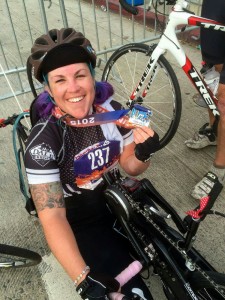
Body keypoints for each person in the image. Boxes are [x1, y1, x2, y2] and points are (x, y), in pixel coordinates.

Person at [24, 27, 160, 299]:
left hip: (113, 193)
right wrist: (82, 280)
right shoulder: (42, 142)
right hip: (77, 214)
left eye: (80, 75)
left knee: (174, 256)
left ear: (92, 77)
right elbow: (52, 217)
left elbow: (131, 166)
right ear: (49, 89)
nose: (73, 88)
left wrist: (144, 152)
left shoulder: (114, 111)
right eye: (60, 80)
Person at [184, 0, 225, 200]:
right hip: (213, 45)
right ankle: (215, 133)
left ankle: (219, 169)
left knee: (224, 99)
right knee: (210, 84)